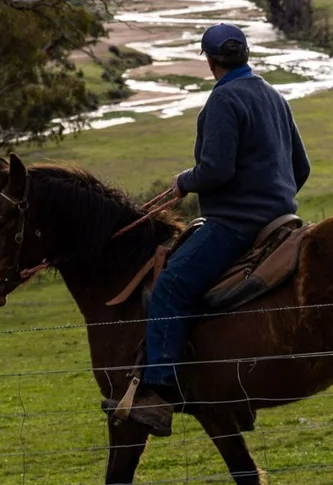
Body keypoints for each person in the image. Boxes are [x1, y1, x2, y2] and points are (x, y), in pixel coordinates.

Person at [121, 22, 311, 436]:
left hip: (236, 224)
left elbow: (216, 170)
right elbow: (302, 168)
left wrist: (185, 180)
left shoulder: (224, 99)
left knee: (171, 286)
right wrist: (272, 196)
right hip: (281, 221)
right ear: (245, 55)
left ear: (210, 61)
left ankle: (159, 393)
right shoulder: (275, 96)